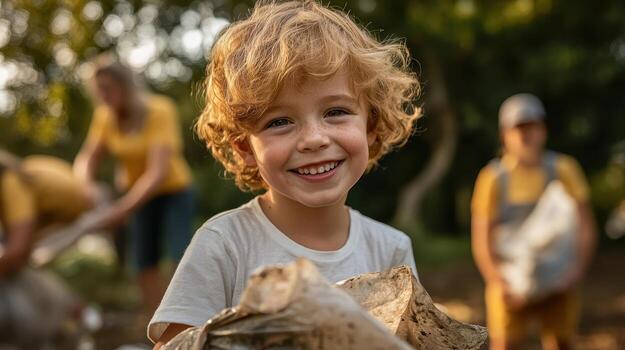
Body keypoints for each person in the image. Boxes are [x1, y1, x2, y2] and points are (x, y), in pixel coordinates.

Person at [148, 0, 421, 347]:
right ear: (244, 148)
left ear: (371, 125)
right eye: (279, 122)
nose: (314, 139)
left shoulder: (391, 252)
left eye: (336, 111)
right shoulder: (225, 246)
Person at [471, 94, 597, 350]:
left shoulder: (564, 169)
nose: (526, 135)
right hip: (509, 285)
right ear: (505, 134)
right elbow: (482, 239)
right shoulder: (492, 179)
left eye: (532, 127)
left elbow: (585, 225)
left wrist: (575, 273)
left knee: (561, 342)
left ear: (544, 130)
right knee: (506, 343)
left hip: (559, 282)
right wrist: (499, 282)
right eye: (519, 128)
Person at [73, 60, 195, 317]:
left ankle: (191, 319)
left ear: (125, 86)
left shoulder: (160, 110)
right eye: (98, 90)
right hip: (135, 197)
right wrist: (87, 187)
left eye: (108, 89)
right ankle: (160, 324)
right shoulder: (105, 117)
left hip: (173, 191)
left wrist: (120, 210)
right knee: (143, 263)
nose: (102, 96)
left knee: (180, 255)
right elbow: (87, 158)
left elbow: (157, 173)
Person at [0, 151, 93, 277]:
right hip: (64, 206)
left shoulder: (11, 184)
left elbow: (18, 248)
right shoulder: (22, 170)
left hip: (78, 216)